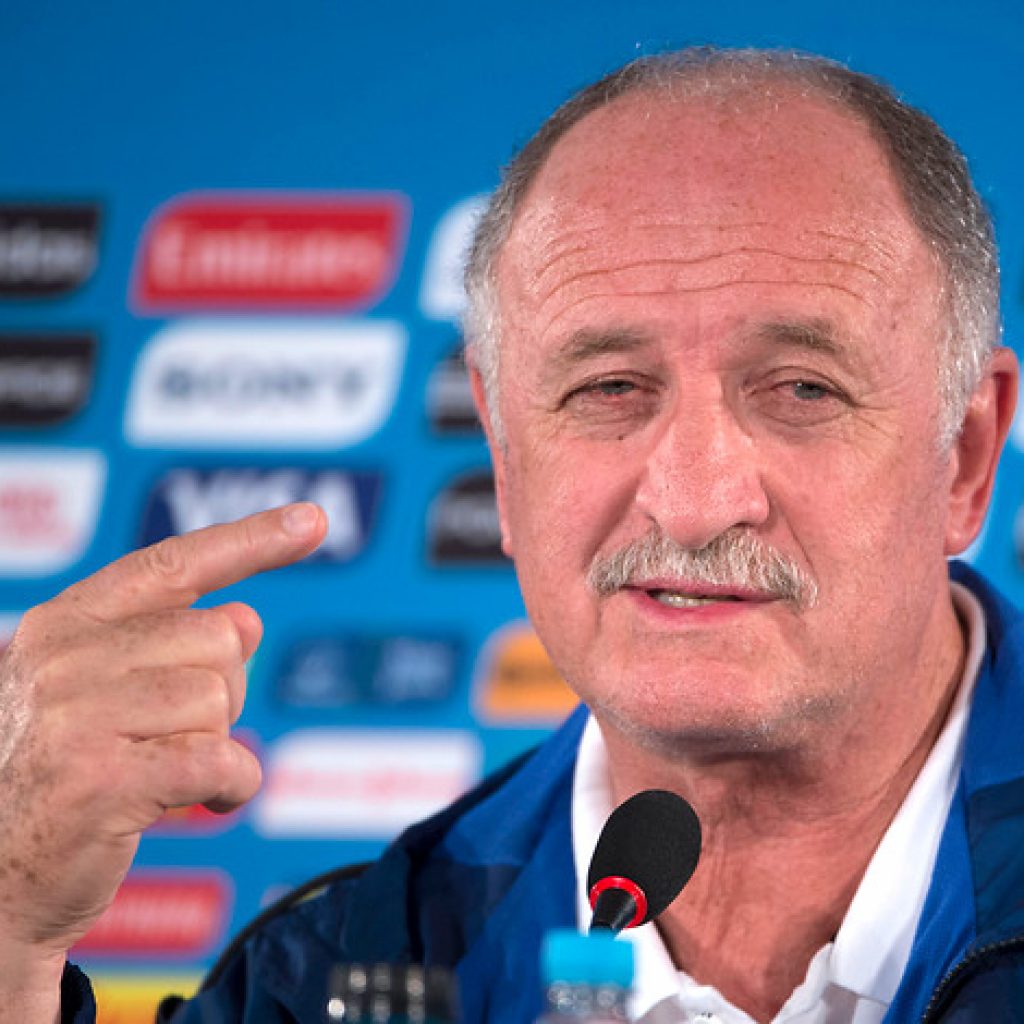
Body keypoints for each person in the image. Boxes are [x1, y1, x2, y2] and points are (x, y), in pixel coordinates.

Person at [2, 46, 1022, 1024]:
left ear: (967, 456)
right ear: (503, 452)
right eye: (609, 388)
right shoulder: (331, 977)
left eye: (801, 389)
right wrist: (12, 935)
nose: (694, 501)